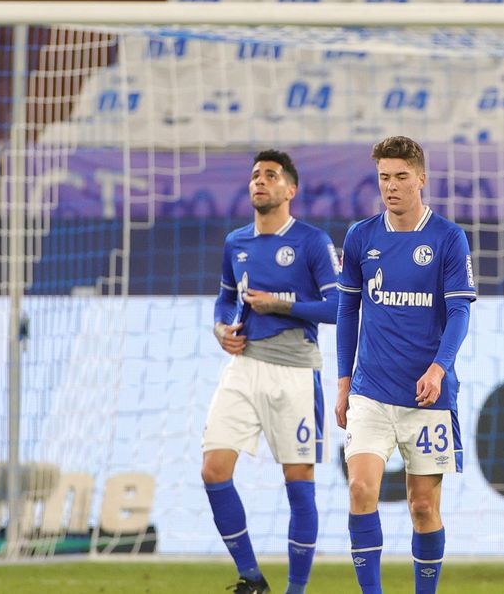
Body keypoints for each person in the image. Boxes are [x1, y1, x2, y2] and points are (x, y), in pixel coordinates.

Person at [335, 135, 476, 594]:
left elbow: (459, 312)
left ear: (421, 179)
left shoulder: (448, 238)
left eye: (400, 177)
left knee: (422, 507)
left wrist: (438, 368)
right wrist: (342, 382)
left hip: (427, 397)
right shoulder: (360, 236)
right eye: (383, 177)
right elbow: (347, 311)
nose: (390, 186)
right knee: (360, 490)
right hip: (370, 391)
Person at [204, 149, 340, 594]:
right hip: (243, 367)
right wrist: (221, 328)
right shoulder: (235, 242)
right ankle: (251, 576)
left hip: (295, 372)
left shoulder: (312, 242)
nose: (259, 181)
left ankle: (295, 590)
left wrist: (281, 305)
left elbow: (338, 307)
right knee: (213, 469)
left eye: (271, 175)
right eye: (255, 175)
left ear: (290, 190)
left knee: (298, 481)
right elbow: (226, 298)